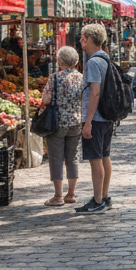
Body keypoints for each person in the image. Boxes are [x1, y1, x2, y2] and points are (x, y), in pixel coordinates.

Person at [75, 22, 114, 215]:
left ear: (90, 39)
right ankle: (104, 195)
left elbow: (95, 93)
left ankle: (98, 199)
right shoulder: (106, 59)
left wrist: (87, 121)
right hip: (107, 116)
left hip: (96, 118)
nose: (81, 40)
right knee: (105, 156)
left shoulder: (92, 62)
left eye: (83, 37)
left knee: (95, 159)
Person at [41, 45, 85, 206]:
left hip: (57, 123)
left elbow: (46, 99)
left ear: (60, 61)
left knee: (56, 158)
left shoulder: (55, 78)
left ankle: (58, 196)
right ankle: (71, 194)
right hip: (76, 122)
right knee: (72, 158)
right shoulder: (81, 77)